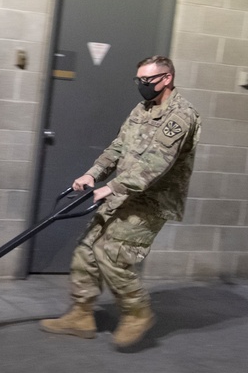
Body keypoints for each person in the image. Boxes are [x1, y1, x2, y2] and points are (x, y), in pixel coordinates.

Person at [40, 55, 200, 349]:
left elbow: (155, 164)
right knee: (87, 248)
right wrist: (92, 175)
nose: (141, 85)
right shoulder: (142, 109)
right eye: (138, 80)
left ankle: (137, 313)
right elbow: (117, 147)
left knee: (111, 253)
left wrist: (110, 187)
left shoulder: (181, 115)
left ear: (167, 78)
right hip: (123, 193)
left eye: (147, 80)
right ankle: (80, 315)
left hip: (152, 200)